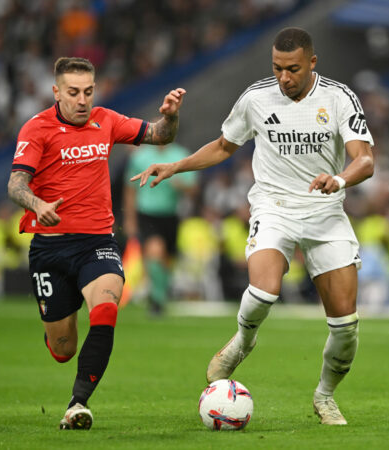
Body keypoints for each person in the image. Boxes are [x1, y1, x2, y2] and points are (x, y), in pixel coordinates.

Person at [132, 27, 374, 425]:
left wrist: (341, 179)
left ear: (312, 63)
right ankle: (243, 342)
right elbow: (224, 145)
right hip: (274, 206)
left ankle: (325, 396)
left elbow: (364, 159)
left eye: (293, 69)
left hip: (325, 211)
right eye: (277, 68)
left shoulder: (338, 97)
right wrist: (175, 165)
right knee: (263, 290)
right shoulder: (256, 97)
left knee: (345, 324)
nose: (284, 77)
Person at [7, 56, 185, 430]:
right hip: (50, 247)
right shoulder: (36, 129)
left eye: (88, 91)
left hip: (96, 242)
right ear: (56, 92)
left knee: (106, 309)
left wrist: (169, 116)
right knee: (63, 350)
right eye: (73, 92)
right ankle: (56, 330)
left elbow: (159, 135)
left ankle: (77, 403)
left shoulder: (105, 120)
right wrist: (38, 204)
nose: (82, 100)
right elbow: (16, 185)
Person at [122, 143, 198, 315]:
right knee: (154, 251)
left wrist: (182, 186)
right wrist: (129, 218)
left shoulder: (181, 154)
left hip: (171, 214)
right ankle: (157, 299)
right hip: (147, 213)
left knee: (166, 259)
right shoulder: (140, 156)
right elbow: (130, 188)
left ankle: (160, 295)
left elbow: (193, 188)